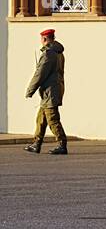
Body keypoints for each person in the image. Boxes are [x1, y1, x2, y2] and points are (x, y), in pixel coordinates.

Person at [25, 28, 68, 156]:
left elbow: (40, 74)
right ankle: (36, 143)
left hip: (50, 91)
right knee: (41, 119)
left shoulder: (49, 54)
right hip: (52, 90)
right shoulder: (58, 52)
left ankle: (62, 144)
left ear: (44, 39)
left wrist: (30, 90)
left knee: (52, 119)